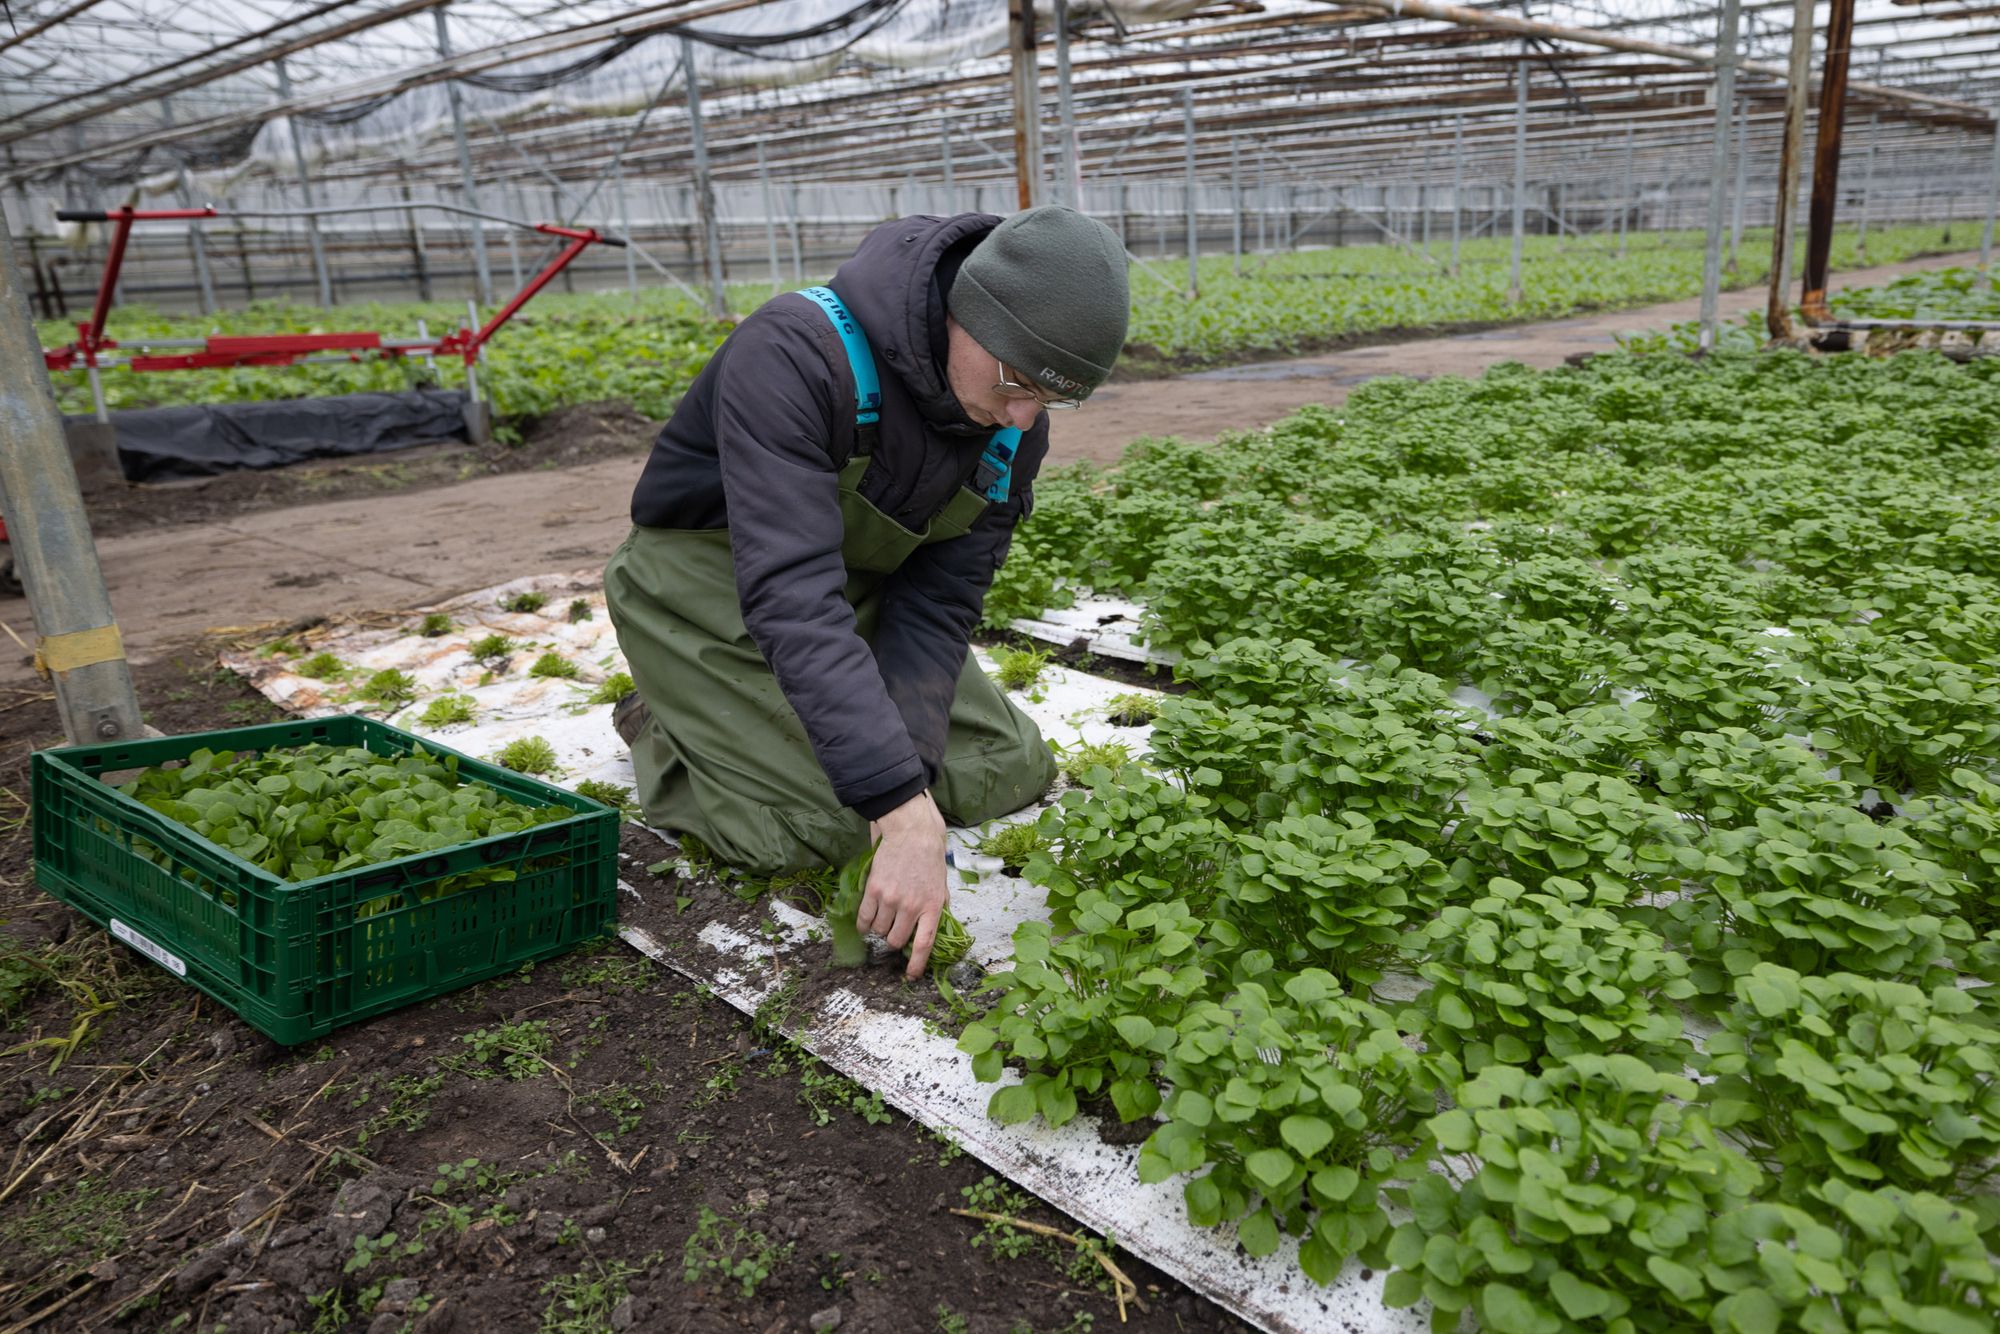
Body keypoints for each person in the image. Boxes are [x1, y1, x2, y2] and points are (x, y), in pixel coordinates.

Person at [604, 205, 1129, 977]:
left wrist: (907, 785)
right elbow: (790, 591)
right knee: (808, 829)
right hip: (709, 589)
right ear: (967, 314)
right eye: (1018, 382)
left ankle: (805, 747)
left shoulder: (1014, 427)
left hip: (852, 589)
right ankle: (663, 720)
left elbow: (940, 599)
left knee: (1009, 767)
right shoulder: (796, 352)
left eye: (1055, 398)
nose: (1024, 416)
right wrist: (894, 806)